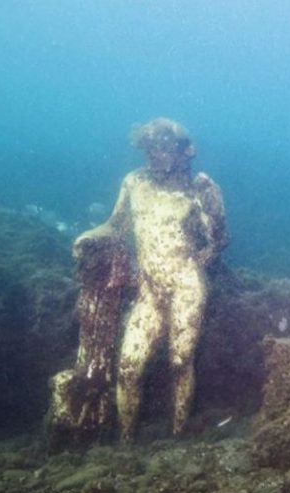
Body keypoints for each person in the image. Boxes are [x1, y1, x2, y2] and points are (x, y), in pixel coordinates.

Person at [75, 118, 228, 441]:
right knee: (129, 366)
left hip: (186, 287)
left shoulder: (200, 189)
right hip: (149, 289)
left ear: (186, 151)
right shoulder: (134, 183)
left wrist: (198, 263)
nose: (155, 155)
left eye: (163, 148)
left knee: (180, 360)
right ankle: (126, 443)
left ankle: (177, 437)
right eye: (150, 149)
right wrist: (88, 237)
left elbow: (220, 239)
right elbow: (116, 225)